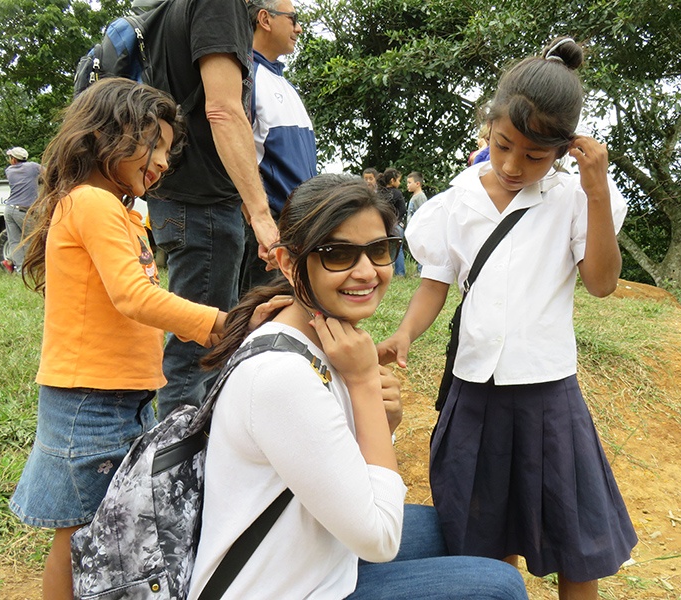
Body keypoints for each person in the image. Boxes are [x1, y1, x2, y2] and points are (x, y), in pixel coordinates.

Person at [377, 38, 638, 600]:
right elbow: (434, 283)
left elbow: (601, 282)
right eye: (503, 146)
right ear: (487, 127)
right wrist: (404, 333)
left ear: (564, 149)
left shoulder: (574, 198)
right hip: (475, 393)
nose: (514, 165)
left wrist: (595, 193)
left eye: (535, 157)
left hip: (547, 393)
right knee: (483, 532)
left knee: (574, 542)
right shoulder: (457, 202)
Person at [188, 173, 527, 599]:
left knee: (462, 526)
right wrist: (365, 386)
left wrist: (383, 421)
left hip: (316, 555)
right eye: (337, 254)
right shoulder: (280, 377)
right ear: (289, 263)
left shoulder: (320, 337)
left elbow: (333, 462)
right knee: (500, 587)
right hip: (282, 588)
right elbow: (380, 538)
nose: (367, 272)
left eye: (378, 249)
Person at [9, 79, 228, 600]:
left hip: (121, 394)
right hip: (91, 398)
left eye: (169, 152)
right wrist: (223, 324)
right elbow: (135, 297)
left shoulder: (119, 208)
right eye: (156, 145)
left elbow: (134, 297)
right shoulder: (93, 203)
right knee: (82, 531)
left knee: (102, 527)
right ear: (113, 133)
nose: (164, 162)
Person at [144, 0, 278, 419]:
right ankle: (176, 467)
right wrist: (260, 213)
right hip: (200, 203)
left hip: (178, 196)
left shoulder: (168, 8)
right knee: (199, 348)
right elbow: (221, 109)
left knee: (209, 335)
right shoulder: (219, 4)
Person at [238, 0, 318, 296]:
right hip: (267, 234)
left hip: (299, 228)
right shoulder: (245, 76)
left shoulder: (283, 82)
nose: (299, 28)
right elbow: (234, 155)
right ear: (265, 19)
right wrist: (260, 222)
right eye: (293, 18)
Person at [2, 146, 42, 273]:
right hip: (24, 210)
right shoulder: (33, 167)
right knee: (32, 239)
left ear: (14, 160)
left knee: (15, 241)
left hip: (9, 209)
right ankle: (33, 268)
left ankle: (19, 270)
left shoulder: (9, 171)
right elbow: (48, 175)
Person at [375, 168, 407, 276]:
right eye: (398, 180)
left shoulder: (379, 193)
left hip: (382, 225)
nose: (400, 183)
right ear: (392, 180)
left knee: (383, 248)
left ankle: (385, 271)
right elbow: (403, 210)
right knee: (398, 248)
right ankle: (400, 273)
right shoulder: (397, 193)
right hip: (396, 225)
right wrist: (397, 221)